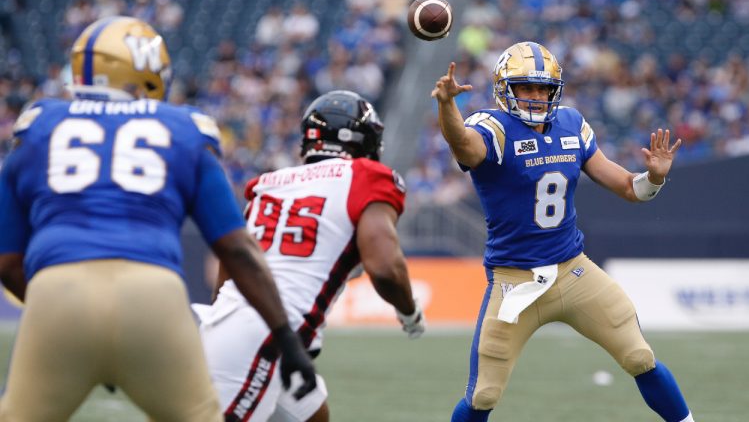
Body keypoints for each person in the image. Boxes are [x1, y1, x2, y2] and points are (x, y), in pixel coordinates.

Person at [0, 16, 315, 421]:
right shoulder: (182, 128)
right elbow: (237, 249)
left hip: (58, 291)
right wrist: (286, 337)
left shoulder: (40, 125)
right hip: (151, 297)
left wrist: (65, 316)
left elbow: (7, 262)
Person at [431, 41, 694, 422]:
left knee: (640, 356)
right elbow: (464, 146)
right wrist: (446, 107)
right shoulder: (493, 128)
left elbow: (629, 188)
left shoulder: (572, 124)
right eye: (525, 87)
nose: (536, 97)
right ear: (504, 88)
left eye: (543, 89)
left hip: (573, 271)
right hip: (515, 282)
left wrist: (653, 178)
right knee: (483, 394)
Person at [192, 90, 426, 422]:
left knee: (312, 415)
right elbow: (386, 268)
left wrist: (221, 321)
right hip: (265, 335)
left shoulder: (268, 184)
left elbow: (233, 264)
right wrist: (409, 312)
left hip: (232, 325)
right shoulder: (366, 177)